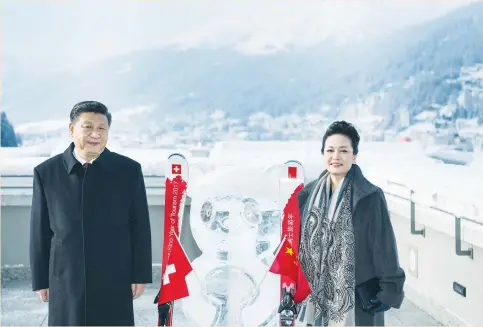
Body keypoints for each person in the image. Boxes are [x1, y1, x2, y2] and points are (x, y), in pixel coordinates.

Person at [29, 101, 153, 326]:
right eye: (87, 127)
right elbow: (39, 231)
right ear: (71, 129)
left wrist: (140, 275)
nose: (95, 134)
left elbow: (140, 226)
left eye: (102, 128)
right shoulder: (46, 172)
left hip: (114, 272)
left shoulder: (129, 170)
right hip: (65, 275)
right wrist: (40, 280)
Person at [296, 121, 405, 326]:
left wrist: (389, 289)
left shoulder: (369, 196)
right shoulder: (307, 195)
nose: (336, 156)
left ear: (354, 156)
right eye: (330, 150)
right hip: (315, 296)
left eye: (343, 150)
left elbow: (384, 247)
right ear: (323, 154)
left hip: (357, 297)